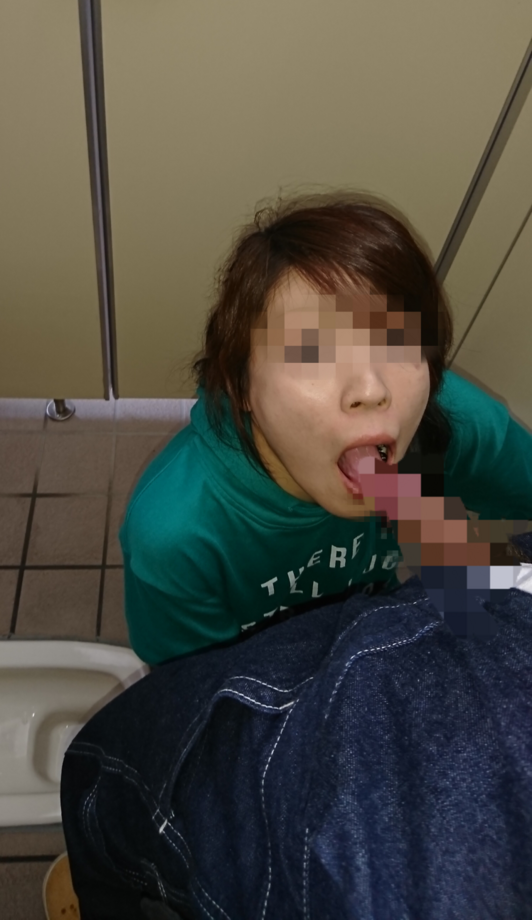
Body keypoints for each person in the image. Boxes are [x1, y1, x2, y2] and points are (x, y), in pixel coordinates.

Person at [43, 189, 532, 918]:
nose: (371, 391)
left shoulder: (449, 424)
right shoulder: (177, 528)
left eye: (398, 344)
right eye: (311, 353)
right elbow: (194, 699)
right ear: (240, 384)